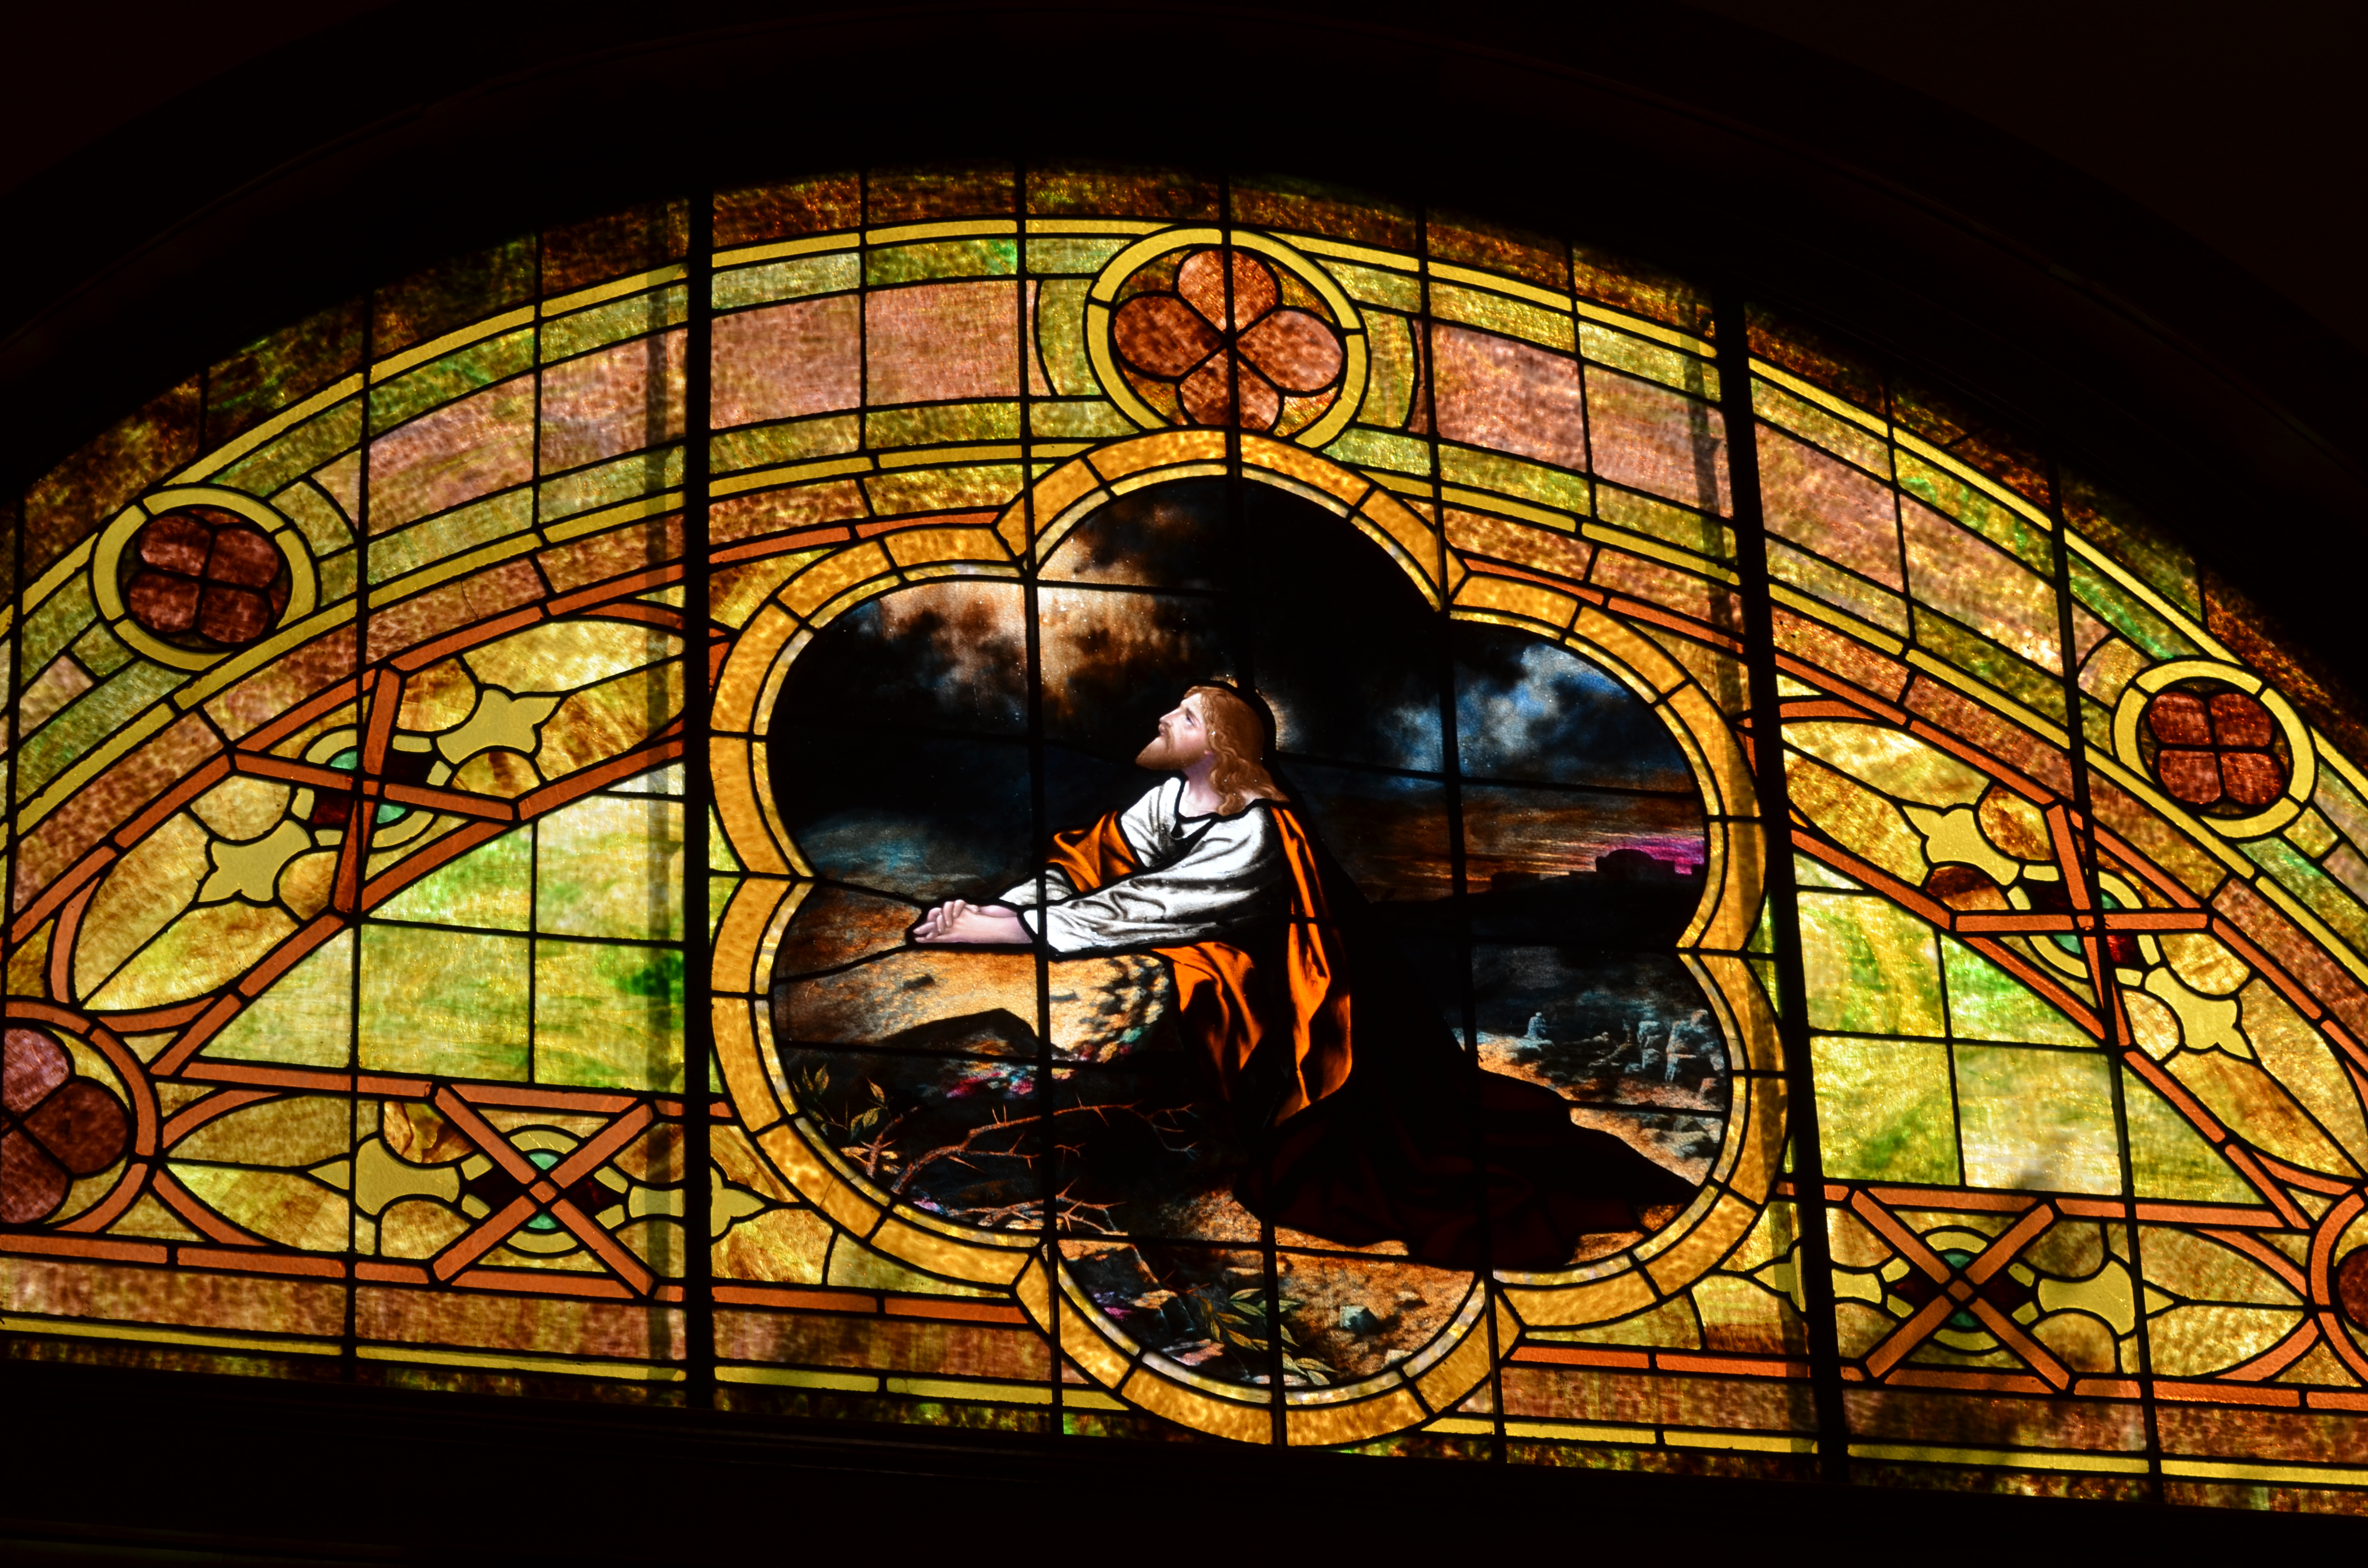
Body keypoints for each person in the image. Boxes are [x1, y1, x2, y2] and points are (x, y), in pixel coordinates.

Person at [913, 682, 1692, 1269]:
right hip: (1258, 988)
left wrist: (1008, 930)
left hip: (1323, 1015)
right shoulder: (1171, 801)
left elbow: (1154, 906)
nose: (1164, 721)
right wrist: (1008, 909)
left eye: (1184, 716)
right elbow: (1095, 862)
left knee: (1379, 1163)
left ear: (1220, 741)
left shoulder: (1256, 824)